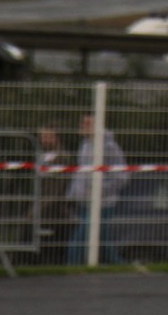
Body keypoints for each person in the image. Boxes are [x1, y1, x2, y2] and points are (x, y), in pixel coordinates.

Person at [67, 113, 127, 265]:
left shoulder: (109, 146)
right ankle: (120, 266)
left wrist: (100, 191)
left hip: (102, 203)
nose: (83, 127)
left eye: (88, 124)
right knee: (103, 241)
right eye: (83, 123)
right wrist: (73, 194)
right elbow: (82, 172)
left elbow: (121, 176)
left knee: (80, 238)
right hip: (84, 201)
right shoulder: (85, 144)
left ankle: (72, 267)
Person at [35, 123, 74, 263]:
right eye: (42, 136)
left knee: (52, 247)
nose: (44, 140)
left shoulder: (62, 157)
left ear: (56, 137)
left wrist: (40, 207)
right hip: (42, 206)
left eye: (48, 136)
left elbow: (57, 187)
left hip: (55, 210)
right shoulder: (43, 156)